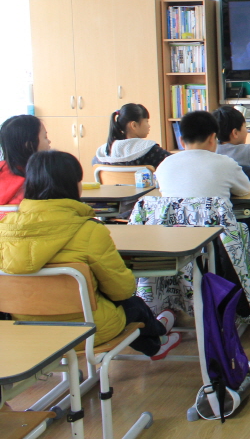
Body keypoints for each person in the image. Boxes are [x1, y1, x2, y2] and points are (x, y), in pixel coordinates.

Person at [0, 151, 180, 359]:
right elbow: (122, 290)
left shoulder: (4, 229)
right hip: (87, 331)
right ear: (73, 185)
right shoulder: (90, 231)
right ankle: (159, 339)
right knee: (134, 305)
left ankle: (159, 337)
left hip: (26, 330)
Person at [155, 111, 250, 201]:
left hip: (175, 214)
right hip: (214, 213)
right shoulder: (226, 164)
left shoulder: (164, 165)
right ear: (212, 138)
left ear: (181, 141)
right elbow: (244, 190)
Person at [94, 103, 172, 167]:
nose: (149, 126)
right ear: (134, 125)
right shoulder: (152, 151)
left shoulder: (102, 155)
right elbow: (173, 162)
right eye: (146, 121)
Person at [0, 115, 50, 208]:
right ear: (30, 145)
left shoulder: (2, 169)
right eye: (45, 137)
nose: (49, 141)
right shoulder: (39, 178)